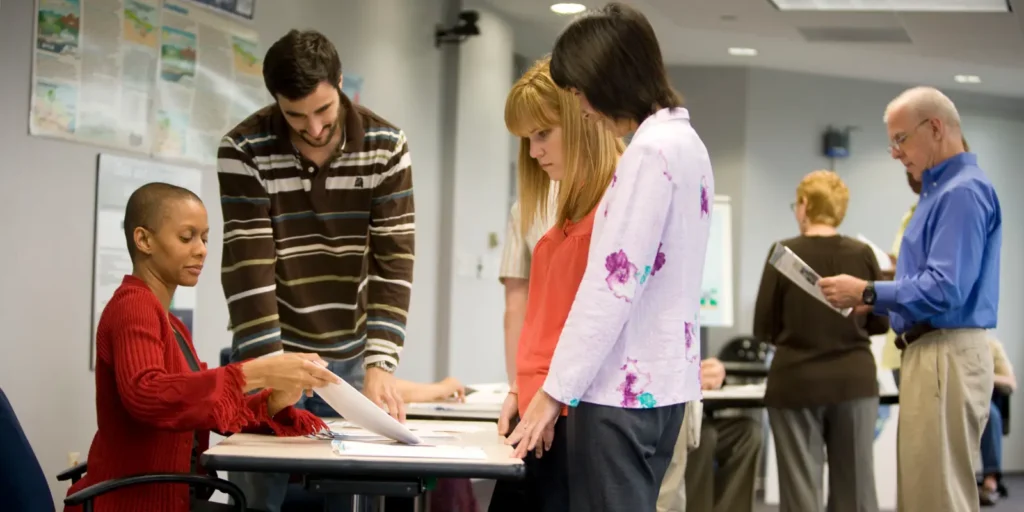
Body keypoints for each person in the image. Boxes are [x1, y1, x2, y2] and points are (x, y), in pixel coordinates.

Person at [509, 4, 715, 511]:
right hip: (665, 386)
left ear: (608, 80)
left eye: (578, 92)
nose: (581, 108)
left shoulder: (647, 154)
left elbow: (611, 287)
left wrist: (553, 393)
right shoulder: (688, 143)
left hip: (619, 394)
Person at [216, 29, 415, 511]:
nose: (314, 128)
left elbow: (394, 259)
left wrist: (380, 363)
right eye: (296, 115)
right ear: (275, 103)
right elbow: (249, 265)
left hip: (346, 358)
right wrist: (273, 365)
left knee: (351, 497)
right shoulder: (244, 148)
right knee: (257, 495)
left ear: (340, 83)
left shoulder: (386, 146)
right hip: (267, 348)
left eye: (323, 110)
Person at [65, 183, 340, 512]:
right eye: (187, 237)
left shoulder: (172, 323)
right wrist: (257, 371)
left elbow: (204, 407)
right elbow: (147, 395)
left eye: (205, 238)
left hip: (173, 496)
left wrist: (275, 400)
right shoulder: (133, 306)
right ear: (144, 240)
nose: (201, 250)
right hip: (136, 501)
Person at [819, 86, 1001, 511]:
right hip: (931, 353)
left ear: (935, 127)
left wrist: (867, 289)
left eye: (900, 139)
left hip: (945, 352)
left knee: (938, 498)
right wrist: (877, 299)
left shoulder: (961, 192)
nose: (895, 153)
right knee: (923, 495)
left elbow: (945, 288)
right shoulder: (941, 192)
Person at [489, 56, 623, 512]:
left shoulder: (620, 202)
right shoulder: (554, 225)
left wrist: (547, 397)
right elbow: (532, 319)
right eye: (528, 139)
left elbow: (595, 323)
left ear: (580, 120)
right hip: (550, 403)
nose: (533, 152)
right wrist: (524, 391)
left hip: (591, 409)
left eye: (543, 134)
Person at [755, 170, 889, 512]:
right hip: (854, 383)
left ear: (804, 206)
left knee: (800, 493)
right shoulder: (862, 254)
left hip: (795, 384)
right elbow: (879, 321)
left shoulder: (782, 254)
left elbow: (763, 328)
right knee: (857, 492)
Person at [881, 136, 970, 386]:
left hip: (939, 343)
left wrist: (872, 292)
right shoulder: (914, 214)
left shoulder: (959, 203)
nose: (901, 158)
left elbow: (941, 286)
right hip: (908, 342)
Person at [658, 358, 763, 512]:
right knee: (705, 436)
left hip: (694, 413)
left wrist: (713, 375)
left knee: (747, 432)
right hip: (660, 415)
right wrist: (687, 378)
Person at [499, 186, 557, 385]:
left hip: (547, 366)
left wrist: (517, 389)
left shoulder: (527, 207)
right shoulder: (526, 208)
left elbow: (515, 306)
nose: (535, 152)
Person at [979, 336, 1015, 507]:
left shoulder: (992, 346)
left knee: (990, 413)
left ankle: (990, 481)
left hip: (981, 400)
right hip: (951, 398)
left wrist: (984, 376)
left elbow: (1010, 382)